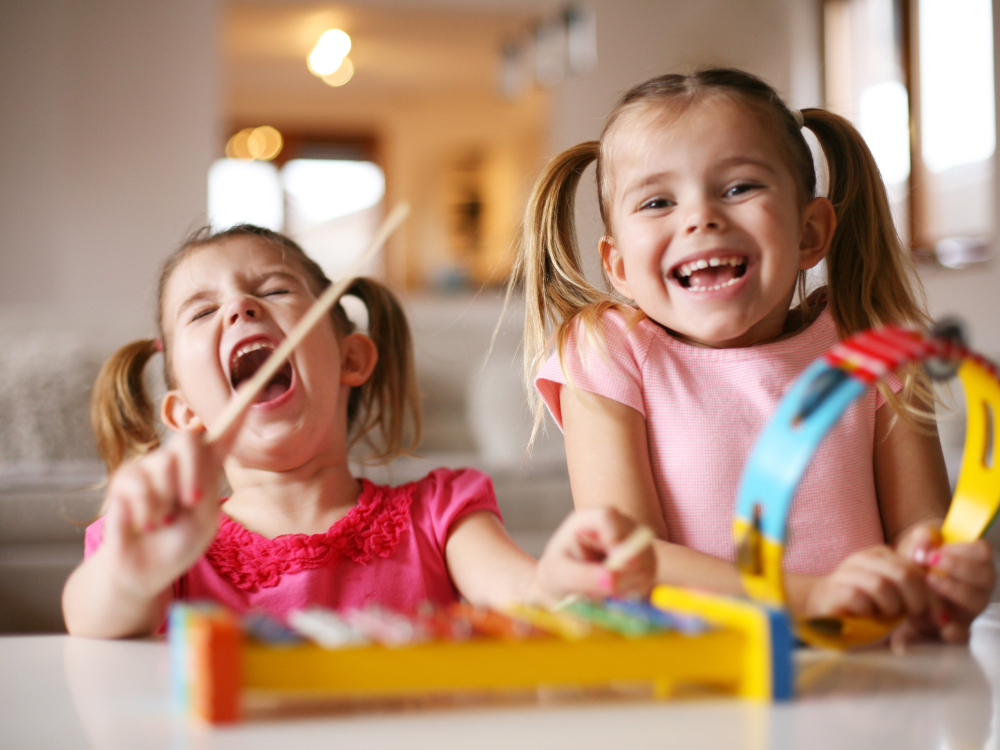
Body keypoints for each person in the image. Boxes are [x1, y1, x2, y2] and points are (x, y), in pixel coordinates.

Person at [512, 68, 995, 643]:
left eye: (739, 187)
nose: (701, 217)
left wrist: (939, 570)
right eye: (658, 201)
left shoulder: (871, 342)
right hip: (701, 682)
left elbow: (921, 525)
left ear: (809, 233)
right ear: (619, 268)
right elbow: (629, 561)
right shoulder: (607, 351)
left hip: (866, 673)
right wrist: (811, 598)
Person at [63, 225, 654, 639]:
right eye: (200, 310)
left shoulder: (441, 513)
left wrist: (562, 579)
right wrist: (129, 571)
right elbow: (91, 618)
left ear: (351, 359)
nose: (240, 307)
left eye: (272, 290)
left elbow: (524, 592)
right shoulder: (155, 541)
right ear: (186, 413)